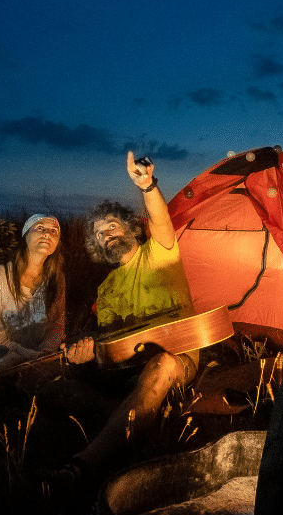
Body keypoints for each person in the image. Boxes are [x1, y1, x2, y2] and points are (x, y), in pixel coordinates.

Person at [52, 151, 198, 496]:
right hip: (129, 368)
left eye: (113, 226)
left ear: (131, 227)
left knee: (161, 365)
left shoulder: (159, 252)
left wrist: (147, 186)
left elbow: (161, 220)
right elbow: (112, 342)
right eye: (101, 235)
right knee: (53, 388)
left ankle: (82, 466)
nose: (108, 236)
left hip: (176, 359)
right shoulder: (106, 289)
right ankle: (137, 416)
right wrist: (91, 351)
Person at [0, 214, 66, 384]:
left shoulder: (56, 281)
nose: (47, 234)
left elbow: (57, 325)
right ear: (25, 236)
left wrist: (46, 352)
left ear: (57, 243)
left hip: (36, 360)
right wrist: (34, 357)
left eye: (53, 231)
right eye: (39, 229)